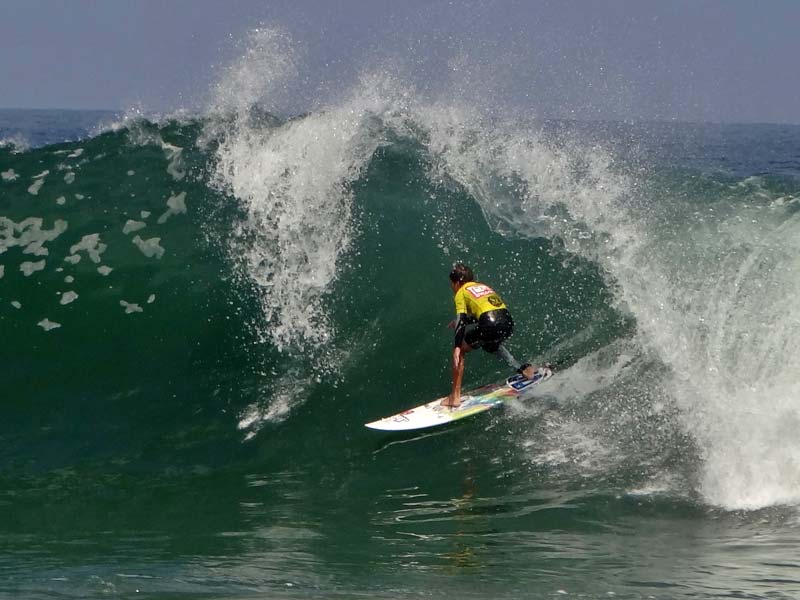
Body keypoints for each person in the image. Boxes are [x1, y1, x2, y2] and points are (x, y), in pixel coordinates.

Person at [443, 263, 544, 408]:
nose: (452, 288)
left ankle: (455, 397)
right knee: (491, 345)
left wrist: (458, 346)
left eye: (452, 284)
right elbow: (489, 311)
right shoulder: (482, 287)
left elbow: (461, 320)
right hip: (507, 322)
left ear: (457, 283)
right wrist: (463, 320)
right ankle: (523, 369)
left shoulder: (461, 292)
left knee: (461, 350)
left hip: (490, 324)